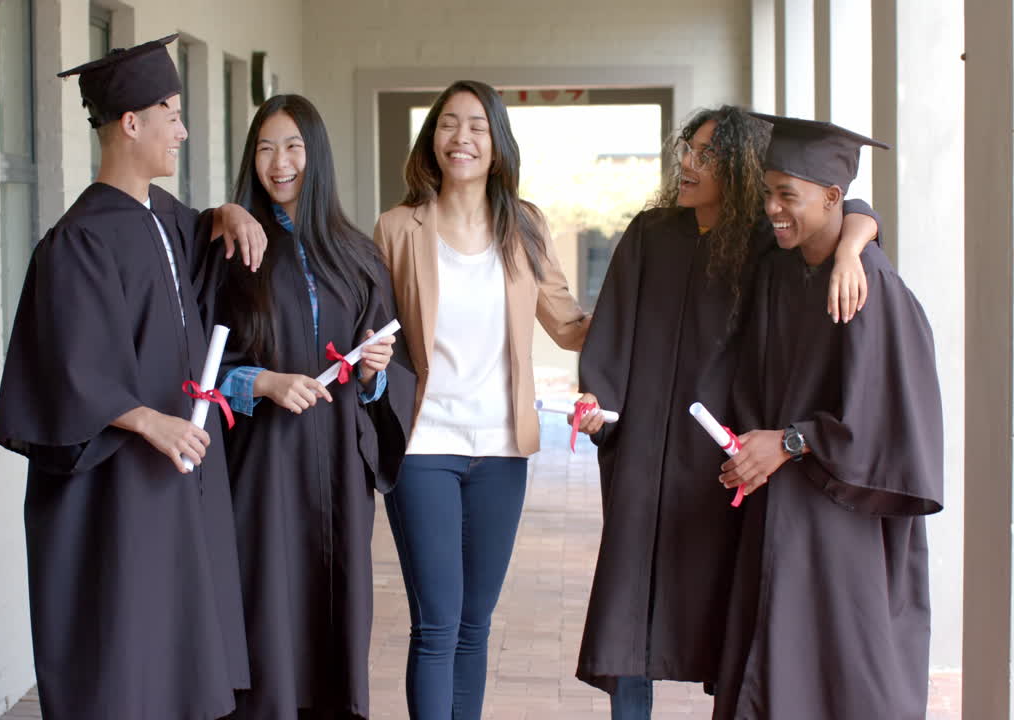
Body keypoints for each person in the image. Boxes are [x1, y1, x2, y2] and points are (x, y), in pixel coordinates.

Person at [572, 105, 882, 720]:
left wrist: (853, 249)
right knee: (629, 614)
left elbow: (855, 210)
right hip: (643, 456)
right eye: (688, 148)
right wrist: (598, 405)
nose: (688, 162)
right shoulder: (649, 233)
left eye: (708, 154)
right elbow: (612, 332)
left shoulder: (770, 242)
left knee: (727, 613)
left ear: (741, 164)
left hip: (725, 461)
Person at [0, 35, 268, 720]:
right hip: (112, 488)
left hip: (171, 474)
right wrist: (146, 418)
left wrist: (227, 213)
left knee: (174, 654)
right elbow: (68, 362)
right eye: (170, 113)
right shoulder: (78, 240)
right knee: (120, 659)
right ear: (130, 124)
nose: (182, 129)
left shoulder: (165, 221)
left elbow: (198, 260)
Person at [712, 114, 943, 719]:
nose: (771, 207)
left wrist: (790, 442)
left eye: (786, 194)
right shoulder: (780, 267)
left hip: (842, 512)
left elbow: (890, 415)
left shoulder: (872, 288)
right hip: (780, 506)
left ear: (831, 196)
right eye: (768, 191)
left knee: (838, 674)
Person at [372, 79, 590, 720]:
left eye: (476, 126)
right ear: (430, 138)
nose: (460, 137)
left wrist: (638, 315)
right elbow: (372, 327)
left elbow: (567, 322)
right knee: (437, 624)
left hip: (502, 451)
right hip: (423, 446)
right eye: (448, 124)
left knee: (475, 624)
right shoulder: (397, 228)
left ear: (497, 142)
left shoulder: (523, 225)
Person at [200, 94, 415, 720]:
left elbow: (386, 370)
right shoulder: (233, 253)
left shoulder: (357, 254)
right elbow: (203, 364)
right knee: (266, 613)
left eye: (293, 146)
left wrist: (374, 373)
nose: (280, 162)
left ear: (315, 155)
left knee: (337, 618)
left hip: (341, 475)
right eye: (265, 148)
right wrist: (262, 382)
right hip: (264, 470)